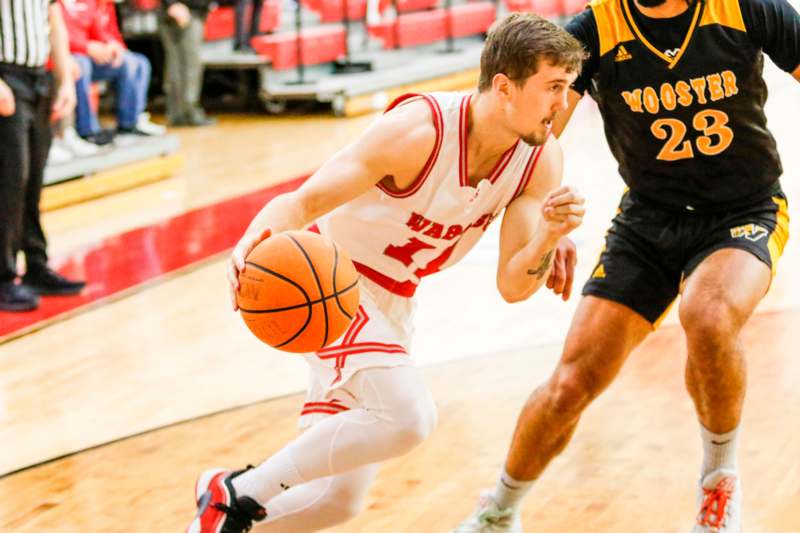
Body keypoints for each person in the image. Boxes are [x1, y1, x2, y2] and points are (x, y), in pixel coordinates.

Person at [185, 13, 587, 533]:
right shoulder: (417, 131)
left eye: (568, 88)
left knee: (335, 500)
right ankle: (235, 492)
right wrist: (251, 244)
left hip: (396, 302)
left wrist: (548, 237)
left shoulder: (539, 160)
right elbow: (304, 201)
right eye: (553, 87)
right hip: (331, 281)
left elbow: (513, 285)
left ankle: (215, 520)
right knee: (409, 417)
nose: (563, 104)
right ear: (505, 87)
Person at [455, 0, 800, 531]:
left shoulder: (745, 8)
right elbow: (537, 138)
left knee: (707, 314)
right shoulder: (591, 33)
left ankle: (719, 484)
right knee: (570, 385)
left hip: (744, 210)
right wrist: (548, 225)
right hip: (648, 220)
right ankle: (497, 511)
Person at [0, 0, 86, 312]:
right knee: (11, 178)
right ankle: (3, 277)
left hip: (38, 76)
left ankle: (36, 264)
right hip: (6, 76)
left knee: (34, 178)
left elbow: (54, 16)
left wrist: (65, 80)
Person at [60, 0, 165, 143]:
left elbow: (104, 33)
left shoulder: (103, 6)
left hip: (89, 53)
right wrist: (86, 47)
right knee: (82, 65)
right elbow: (62, 34)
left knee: (139, 62)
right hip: (71, 56)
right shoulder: (62, 4)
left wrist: (115, 48)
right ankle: (87, 131)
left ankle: (130, 123)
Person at [160, 0, 215, 127]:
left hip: (177, 12)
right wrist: (172, 4)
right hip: (186, 13)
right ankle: (190, 113)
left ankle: (177, 113)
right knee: (190, 66)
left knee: (175, 65)